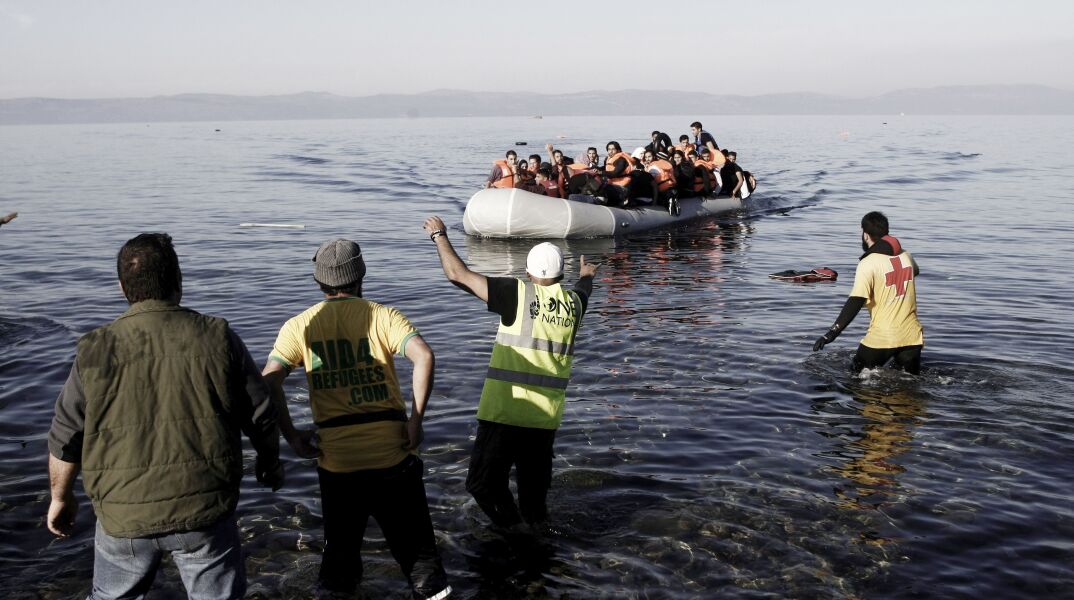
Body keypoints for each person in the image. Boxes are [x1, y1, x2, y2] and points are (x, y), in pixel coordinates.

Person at [46, 232, 283, 600]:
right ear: (178, 281)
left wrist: (60, 498)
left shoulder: (94, 348)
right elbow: (261, 414)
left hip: (122, 517)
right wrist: (269, 463)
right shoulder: (218, 336)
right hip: (203, 512)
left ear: (122, 286)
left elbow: (65, 437)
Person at [262, 239, 451, 599]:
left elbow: (269, 381)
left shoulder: (299, 326)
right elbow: (423, 356)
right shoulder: (384, 316)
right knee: (420, 560)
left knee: (340, 563)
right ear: (361, 275)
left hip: (338, 464)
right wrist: (416, 420)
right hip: (392, 457)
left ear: (319, 281)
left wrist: (291, 436)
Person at [422, 217, 599, 533]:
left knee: (481, 484)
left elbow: (457, 275)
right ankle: (540, 556)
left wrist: (439, 235)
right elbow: (583, 291)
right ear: (560, 275)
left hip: (505, 413)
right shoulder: (573, 305)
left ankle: (518, 535)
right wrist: (586, 276)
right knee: (535, 502)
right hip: (544, 420)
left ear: (528, 274)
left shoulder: (518, 294)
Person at [813, 212, 924, 374]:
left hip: (882, 337)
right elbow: (915, 271)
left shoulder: (868, 263)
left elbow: (856, 300)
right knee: (910, 386)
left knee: (854, 378)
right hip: (912, 336)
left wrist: (831, 333)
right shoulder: (906, 256)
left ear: (865, 234)